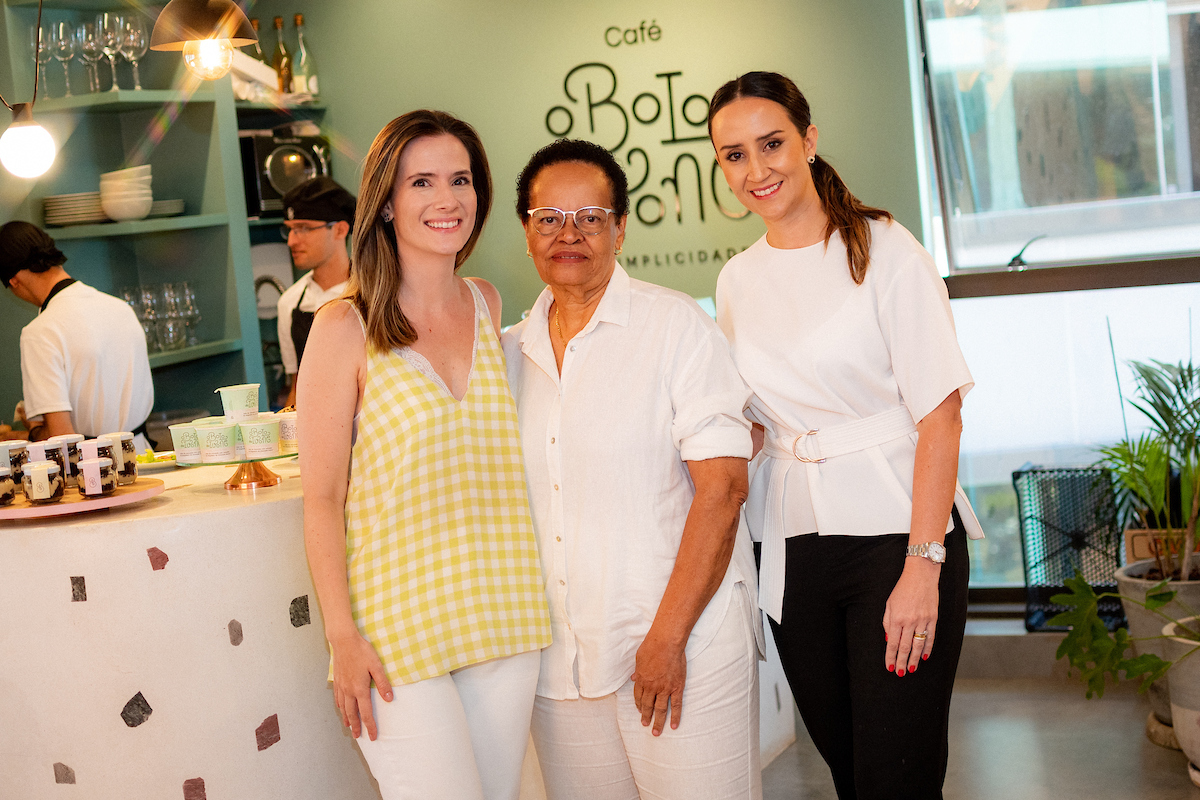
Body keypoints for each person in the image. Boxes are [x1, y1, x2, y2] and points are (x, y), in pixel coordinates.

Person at [708, 72, 985, 800]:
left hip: (899, 537)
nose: (756, 170)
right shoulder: (737, 280)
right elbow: (757, 422)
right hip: (793, 549)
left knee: (898, 772)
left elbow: (940, 414)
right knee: (850, 769)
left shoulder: (886, 249)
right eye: (734, 155)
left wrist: (923, 565)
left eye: (771, 145)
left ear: (808, 139)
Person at [298, 110, 551, 800]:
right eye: (422, 182)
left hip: (506, 608)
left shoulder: (489, 303)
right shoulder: (343, 324)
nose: (448, 200)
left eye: (461, 180)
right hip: (395, 627)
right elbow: (320, 495)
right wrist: (340, 637)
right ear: (385, 201)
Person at [502, 138, 763, 800]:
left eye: (590, 216)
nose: (570, 234)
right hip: (561, 666)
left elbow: (724, 487)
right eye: (549, 218)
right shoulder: (505, 355)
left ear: (620, 226)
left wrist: (667, 638)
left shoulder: (675, 327)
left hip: (683, 645)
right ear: (526, 231)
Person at [1, 221, 153, 446]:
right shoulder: (120, 307)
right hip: (143, 454)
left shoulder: (39, 332)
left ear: (14, 281)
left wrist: (33, 431)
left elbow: (62, 437)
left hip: (95, 469)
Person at [276, 176, 356, 407]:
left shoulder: (374, 293)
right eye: (290, 230)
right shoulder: (289, 302)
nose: (292, 241)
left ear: (340, 230)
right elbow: (298, 386)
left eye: (304, 229)